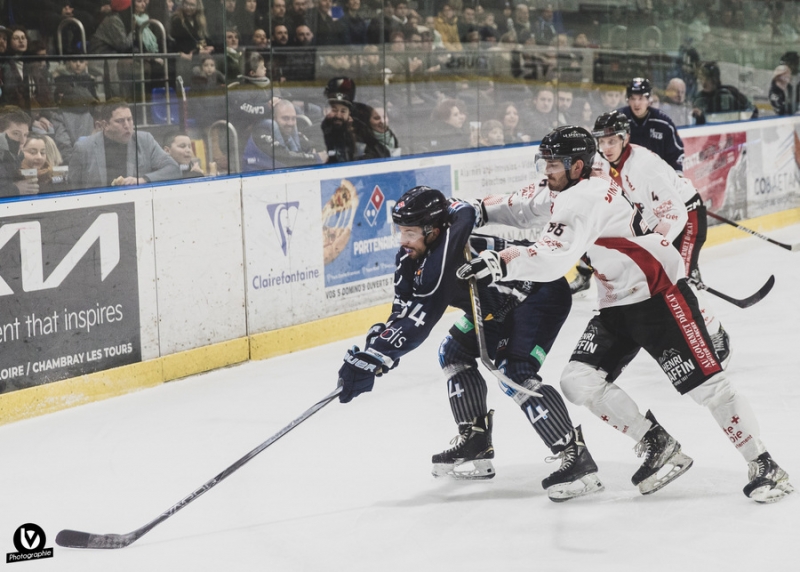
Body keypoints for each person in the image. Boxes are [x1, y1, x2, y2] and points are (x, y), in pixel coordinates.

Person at [457, 125, 793, 503]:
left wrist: (502, 261)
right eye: (544, 163)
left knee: (709, 387)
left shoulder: (585, 197)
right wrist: (475, 209)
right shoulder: (571, 185)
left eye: (553, 164)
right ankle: (657, 442)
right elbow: (524, 205)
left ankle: (764, 464)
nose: (546, 171)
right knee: (578, 381)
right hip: (616, 302)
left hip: (659, 296)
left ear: (577, 165)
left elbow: (554, 257)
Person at [336, 186, 604, 501]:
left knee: (515, 372)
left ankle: (576, 456)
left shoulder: (442, 260)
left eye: (410, 233)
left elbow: (418, 323)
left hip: (539, 295)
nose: (402, 240)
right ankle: (475, 441)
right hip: (495, 305)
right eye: (400, 231)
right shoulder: (414, 255)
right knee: (454, 352)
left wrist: (376, 357)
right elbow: (403, 309)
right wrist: (376, 346)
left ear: (432, 231)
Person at [591, 110, 731, 367]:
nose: (606, 147)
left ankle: (716, 334)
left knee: (680, 279)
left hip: (686, 215)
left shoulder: (644, 167)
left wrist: (656, 245)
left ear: (625, 138)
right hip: (657, 221)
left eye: (611, 141)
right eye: (602, 141)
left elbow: (676, 213)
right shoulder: (603, 164)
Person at [68, 99, 181, 188]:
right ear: (105, 125)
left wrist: (142, 180)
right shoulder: (83, 148)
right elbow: (73, 186)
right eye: (120, 121)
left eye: (129, 119)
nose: (127, 125)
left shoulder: (145, 141)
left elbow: (173, 169)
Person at [618, 78, 684, 174]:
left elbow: (676, 154)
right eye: (633, 98)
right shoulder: (617, 121)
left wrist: (677, 175)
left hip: (657, 178)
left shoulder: (663, 123)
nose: (636, 103)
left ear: (649, 100)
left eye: (641, 98)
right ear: (628, 100)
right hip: (625, 177)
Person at [243, 98, 321, 169]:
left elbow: (313, 148)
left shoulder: (294, 135)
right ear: (274, 118)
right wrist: (315, 158)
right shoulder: (260, 135)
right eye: (285, 118)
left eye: (293, 118)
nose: (290, 123)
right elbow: (285, 158)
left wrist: (313, 154)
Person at [692, 62, 757, 125]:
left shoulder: (731, 92)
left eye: (702, 78)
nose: (699, 81)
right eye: (699, 78)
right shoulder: (699, 98)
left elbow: (752, 109)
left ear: (713, 79)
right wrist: (699, 117)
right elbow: (696, 122)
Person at [0, 107, 37, 197]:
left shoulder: (18, 156)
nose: (22, 141)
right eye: (16, 133)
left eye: (25, 135)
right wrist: (15, 189)